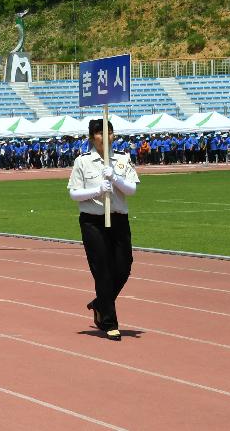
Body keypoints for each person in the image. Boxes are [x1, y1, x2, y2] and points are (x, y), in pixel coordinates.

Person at [68, 118, 139, 342]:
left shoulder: (122, 159)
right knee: (102, 271)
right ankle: (109, 321)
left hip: (118, 219)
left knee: (124, 265)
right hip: (93, 221)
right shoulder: (83, 161)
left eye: (108, 132)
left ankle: (100, 302)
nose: (104, 137)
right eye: (99, 133)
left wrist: (115, 178)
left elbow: (132, 190)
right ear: (92, 137)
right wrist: (97, 190)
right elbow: (74, 194)